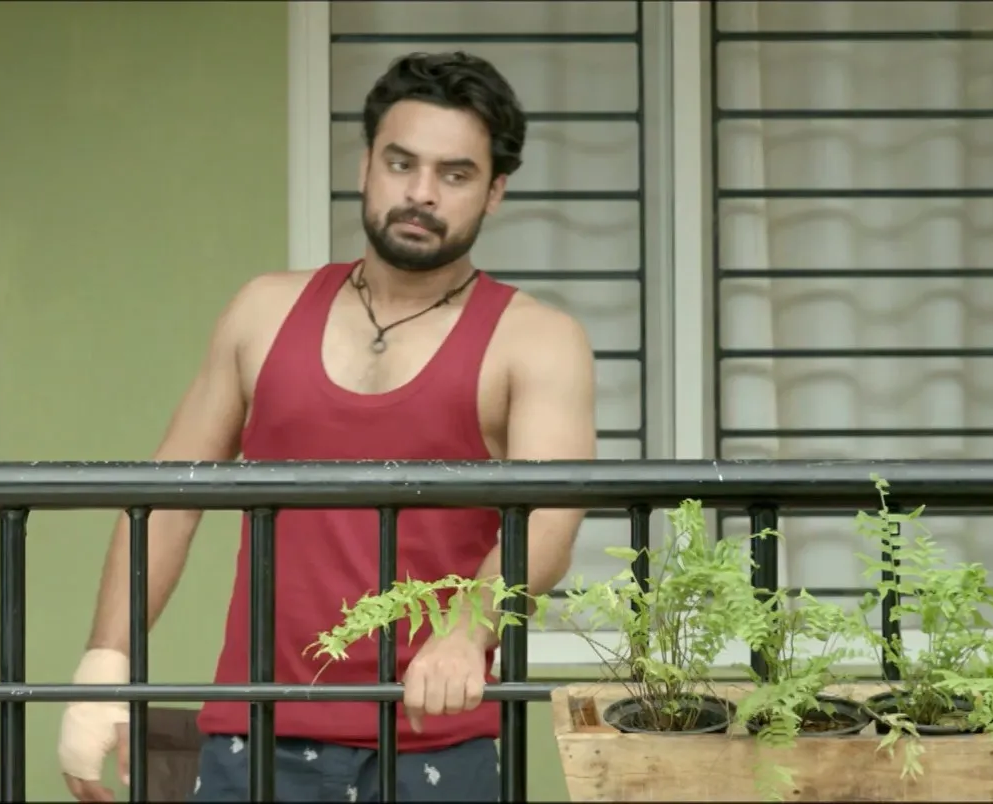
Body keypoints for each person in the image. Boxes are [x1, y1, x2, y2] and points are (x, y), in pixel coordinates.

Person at [58, 51, 595, 803]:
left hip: (432, 740)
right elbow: (166, 500)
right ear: (365, 164)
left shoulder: (535, 339)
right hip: (253, 734)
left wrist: (465, 630)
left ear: (494, 191)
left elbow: (548, 522)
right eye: (401, 163)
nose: (420, 193)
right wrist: (105, 665)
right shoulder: (263, 310)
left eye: (454, 174)